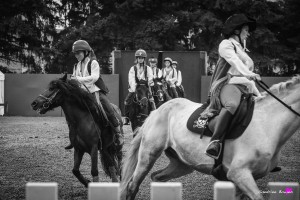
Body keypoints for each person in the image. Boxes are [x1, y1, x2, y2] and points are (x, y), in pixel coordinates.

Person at [204, 14, 261, 159]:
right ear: (236, 30)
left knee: (261, 107)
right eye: (246, 30)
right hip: (227, 84)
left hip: (244, 85)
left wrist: (259, 94)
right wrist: (249, 73)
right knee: (232, 104)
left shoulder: (242, 50)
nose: (248, 33)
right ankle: (215, 141)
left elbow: (247, 77)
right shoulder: (226, 44)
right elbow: (235, 62)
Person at [65, 40, 121, 150]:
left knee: (107, 108)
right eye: (75, 53)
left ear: (86, 52)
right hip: (82, 94)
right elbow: (75, 80)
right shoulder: (76, 66)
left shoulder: (93, 63)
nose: (76, 55)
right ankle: (73, 138)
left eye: (78, 53)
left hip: (95, 91)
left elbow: (94, 78)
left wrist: (78, 79)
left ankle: (118, 133)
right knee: (70, 111)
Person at [123, 49, 156, 125]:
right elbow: (131, 79)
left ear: (144, 59)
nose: (140, 59)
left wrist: (147, 83)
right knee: (127, 101)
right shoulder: (133, 68)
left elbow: (150, 77)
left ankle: (154, 115)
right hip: (135, 88)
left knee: (151, 100)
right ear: (136, 59)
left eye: (142, 58)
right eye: (139, 58)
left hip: (145, 88)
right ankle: (126, 117)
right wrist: (135, 88)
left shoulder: (148, 68)